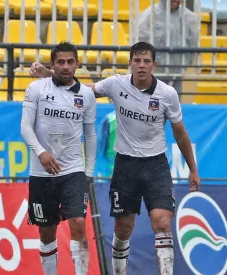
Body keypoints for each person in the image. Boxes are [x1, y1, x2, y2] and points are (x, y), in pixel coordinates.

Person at [30, 41, 200, 275]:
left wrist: (193, 169)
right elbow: (84, 90)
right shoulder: (115, 84)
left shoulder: (167, 94)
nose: (141, 66)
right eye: (137, 61)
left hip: (156, 165)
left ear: (154, 65)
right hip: (126, 165)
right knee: (123, 228)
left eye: (146, 61)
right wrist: (49, 74)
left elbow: (180, 132)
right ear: (130, 63)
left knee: (162, 222)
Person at [21, 41, 97, 275]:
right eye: (60, 62)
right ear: (52, 64)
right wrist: (41, 153)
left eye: (70, 62)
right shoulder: (36, 88)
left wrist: (89, 172)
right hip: (41, 173)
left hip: (72, 171)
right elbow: (25, 127)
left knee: (77, 224)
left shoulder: (85, 95)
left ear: (77, 64)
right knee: (46, 231)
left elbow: (90, 136)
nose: (66, 67)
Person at [137, 0, 200, 94]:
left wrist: (185, 63)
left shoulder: (189, 17)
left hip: (178, 70)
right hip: (155, 71)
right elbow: (141, 43)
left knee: (175, 102)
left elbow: (193, 42)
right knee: (154, 101)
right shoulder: (150, 15)